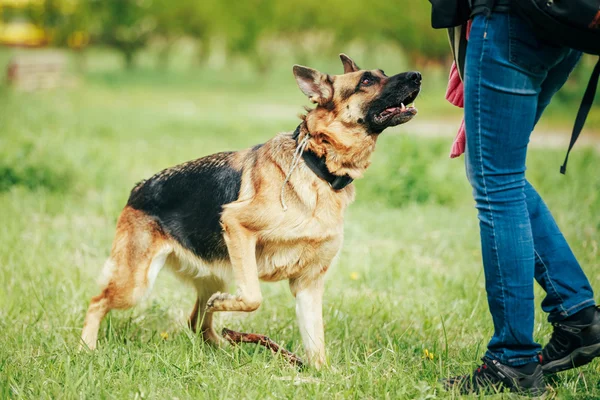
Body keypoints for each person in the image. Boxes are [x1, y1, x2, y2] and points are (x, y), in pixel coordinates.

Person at [434, 0, 600, 395]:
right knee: (497, 174)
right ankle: (577, 315)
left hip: (510, 19)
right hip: (562, 26)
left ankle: (513, 360)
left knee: (498, 181)